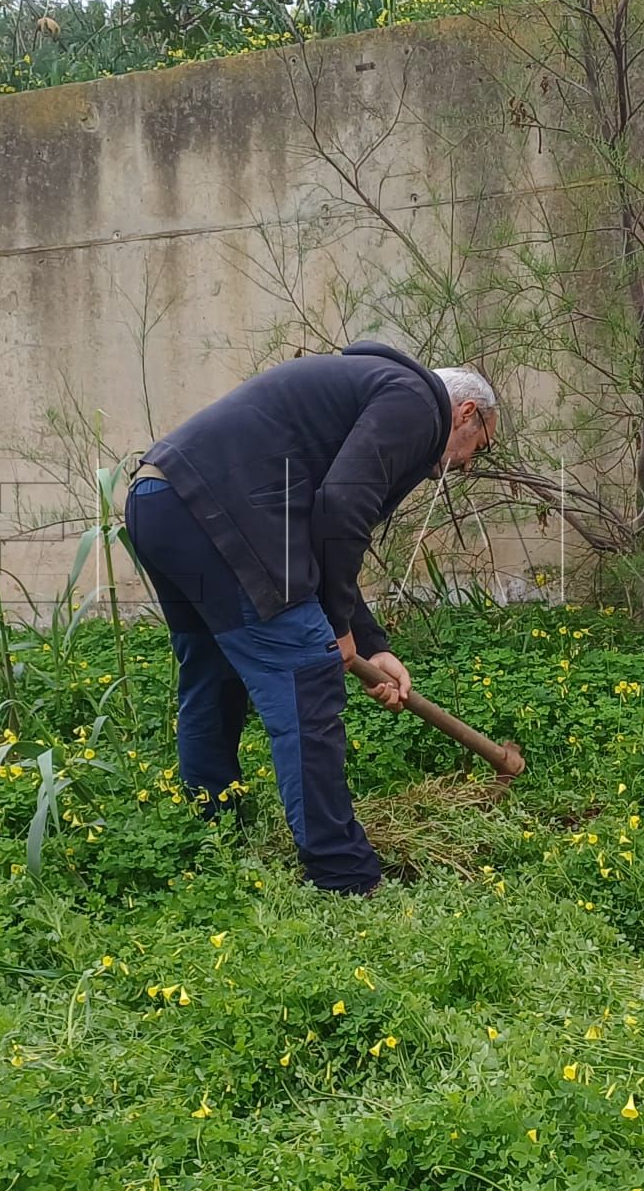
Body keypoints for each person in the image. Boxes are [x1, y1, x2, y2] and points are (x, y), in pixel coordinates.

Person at [123, 341, 498, 895]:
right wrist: (337, 632)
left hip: (159, 503)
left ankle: (210, 832)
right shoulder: (417, 403)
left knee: (213, 673)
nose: (466, 463)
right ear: (466, 413)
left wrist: (371, 643)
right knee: (309, 675)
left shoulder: (369, 387)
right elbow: (342, 511)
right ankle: (343, 874)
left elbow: (323, 533)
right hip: (222, 517)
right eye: (479, 447)